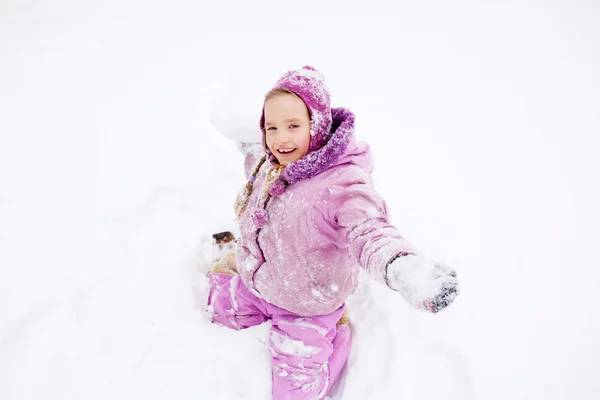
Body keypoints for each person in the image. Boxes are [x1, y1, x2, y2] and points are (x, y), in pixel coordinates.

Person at [206, 66, 459, 399]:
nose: (281, 138)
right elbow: (256, 153)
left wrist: (402, 266)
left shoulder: (342, 184)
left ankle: (335, 338)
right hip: (260, 285)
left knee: (294, 394)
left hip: (306, 307)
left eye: (294, 126)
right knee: (215, 307)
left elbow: (371, 231)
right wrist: (245, 140)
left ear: (318, 124)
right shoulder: (270, 163)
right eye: (272, 127)